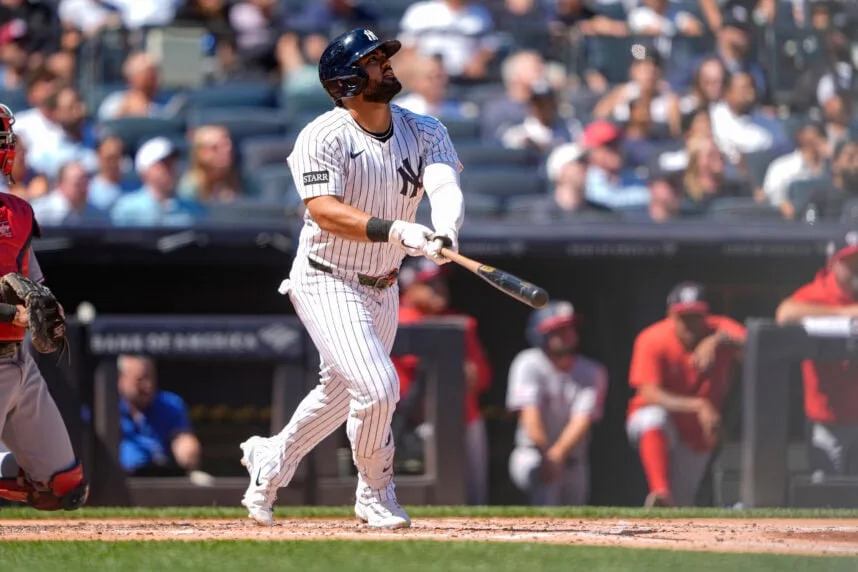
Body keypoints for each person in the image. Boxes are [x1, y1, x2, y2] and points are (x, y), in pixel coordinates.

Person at [239, 28, 465, 529]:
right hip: (326, 275)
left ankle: (270, 461)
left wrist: (445, 230)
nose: (385, 63)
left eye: (384, 55)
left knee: (340, 392)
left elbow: (444, 183)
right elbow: (324, 211)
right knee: (379, 387)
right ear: (345, 82)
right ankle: (375, 491)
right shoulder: (322, 135)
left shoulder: (425, 129)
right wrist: (398, 229)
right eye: (372, 59)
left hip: (383, 282)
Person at [0, 103, 88, 511]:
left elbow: (34, 286)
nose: (7, 144)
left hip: (19, 358)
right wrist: (12, 314)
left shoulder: (17, 210)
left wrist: (47, 311)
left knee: (63, 488)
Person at [626, 282, 746, 507]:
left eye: (696, 316)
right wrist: (699, 406)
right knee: (653, 417)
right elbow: (649, 393)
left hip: (698, 433)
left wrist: (719, 340)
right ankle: (659, 490)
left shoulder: (717, 329)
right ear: (670, 315)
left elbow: (758, 345)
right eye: (684, 316)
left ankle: (666, 511)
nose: (691, 323)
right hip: (663, 424)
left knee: (681, 505)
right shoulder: (653, 338)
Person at [392, 258, 491, 505]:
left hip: (464, 418)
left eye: (439, 281)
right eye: (429, 283)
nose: (439, 287)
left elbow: (484, 377)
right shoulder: (397, 319)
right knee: (426, 496)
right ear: (409, 289)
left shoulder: (461, 323)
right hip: (413, 422)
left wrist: (471, 375)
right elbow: (418, 367)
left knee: (473, 492)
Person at [506, 300, 608, 505]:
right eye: (558, 330)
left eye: (568, 328)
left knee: (576, 518)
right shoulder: (528, 362)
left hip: (572, 460)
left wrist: (556, 456)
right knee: (547, 492)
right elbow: (529, 413)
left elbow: (582, 419)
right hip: (533, 454)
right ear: (541, 333)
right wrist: (547, 455)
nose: (566, 334)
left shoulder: (592, 371)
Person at [775, 231, 858, 477]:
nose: (856, 268)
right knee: (827, 495)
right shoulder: (817, 293)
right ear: (833, 263)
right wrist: (847, 314)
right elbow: (784, 314)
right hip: (828, 418)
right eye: (850, 261)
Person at [117, 354, 203, 477]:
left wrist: (187, 450)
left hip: (161, 478)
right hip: (118, 481)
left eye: (151, 378)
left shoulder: (170, 404)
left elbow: (182, 438)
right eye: (140, 380)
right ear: (121, 380)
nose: (148, 385)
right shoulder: (105, 408)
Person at [111, 137, 206, 227]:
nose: (171, 169)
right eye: (164, 164)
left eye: (173, 163)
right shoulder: (127, 209)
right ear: (145, 171)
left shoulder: (192, 210)